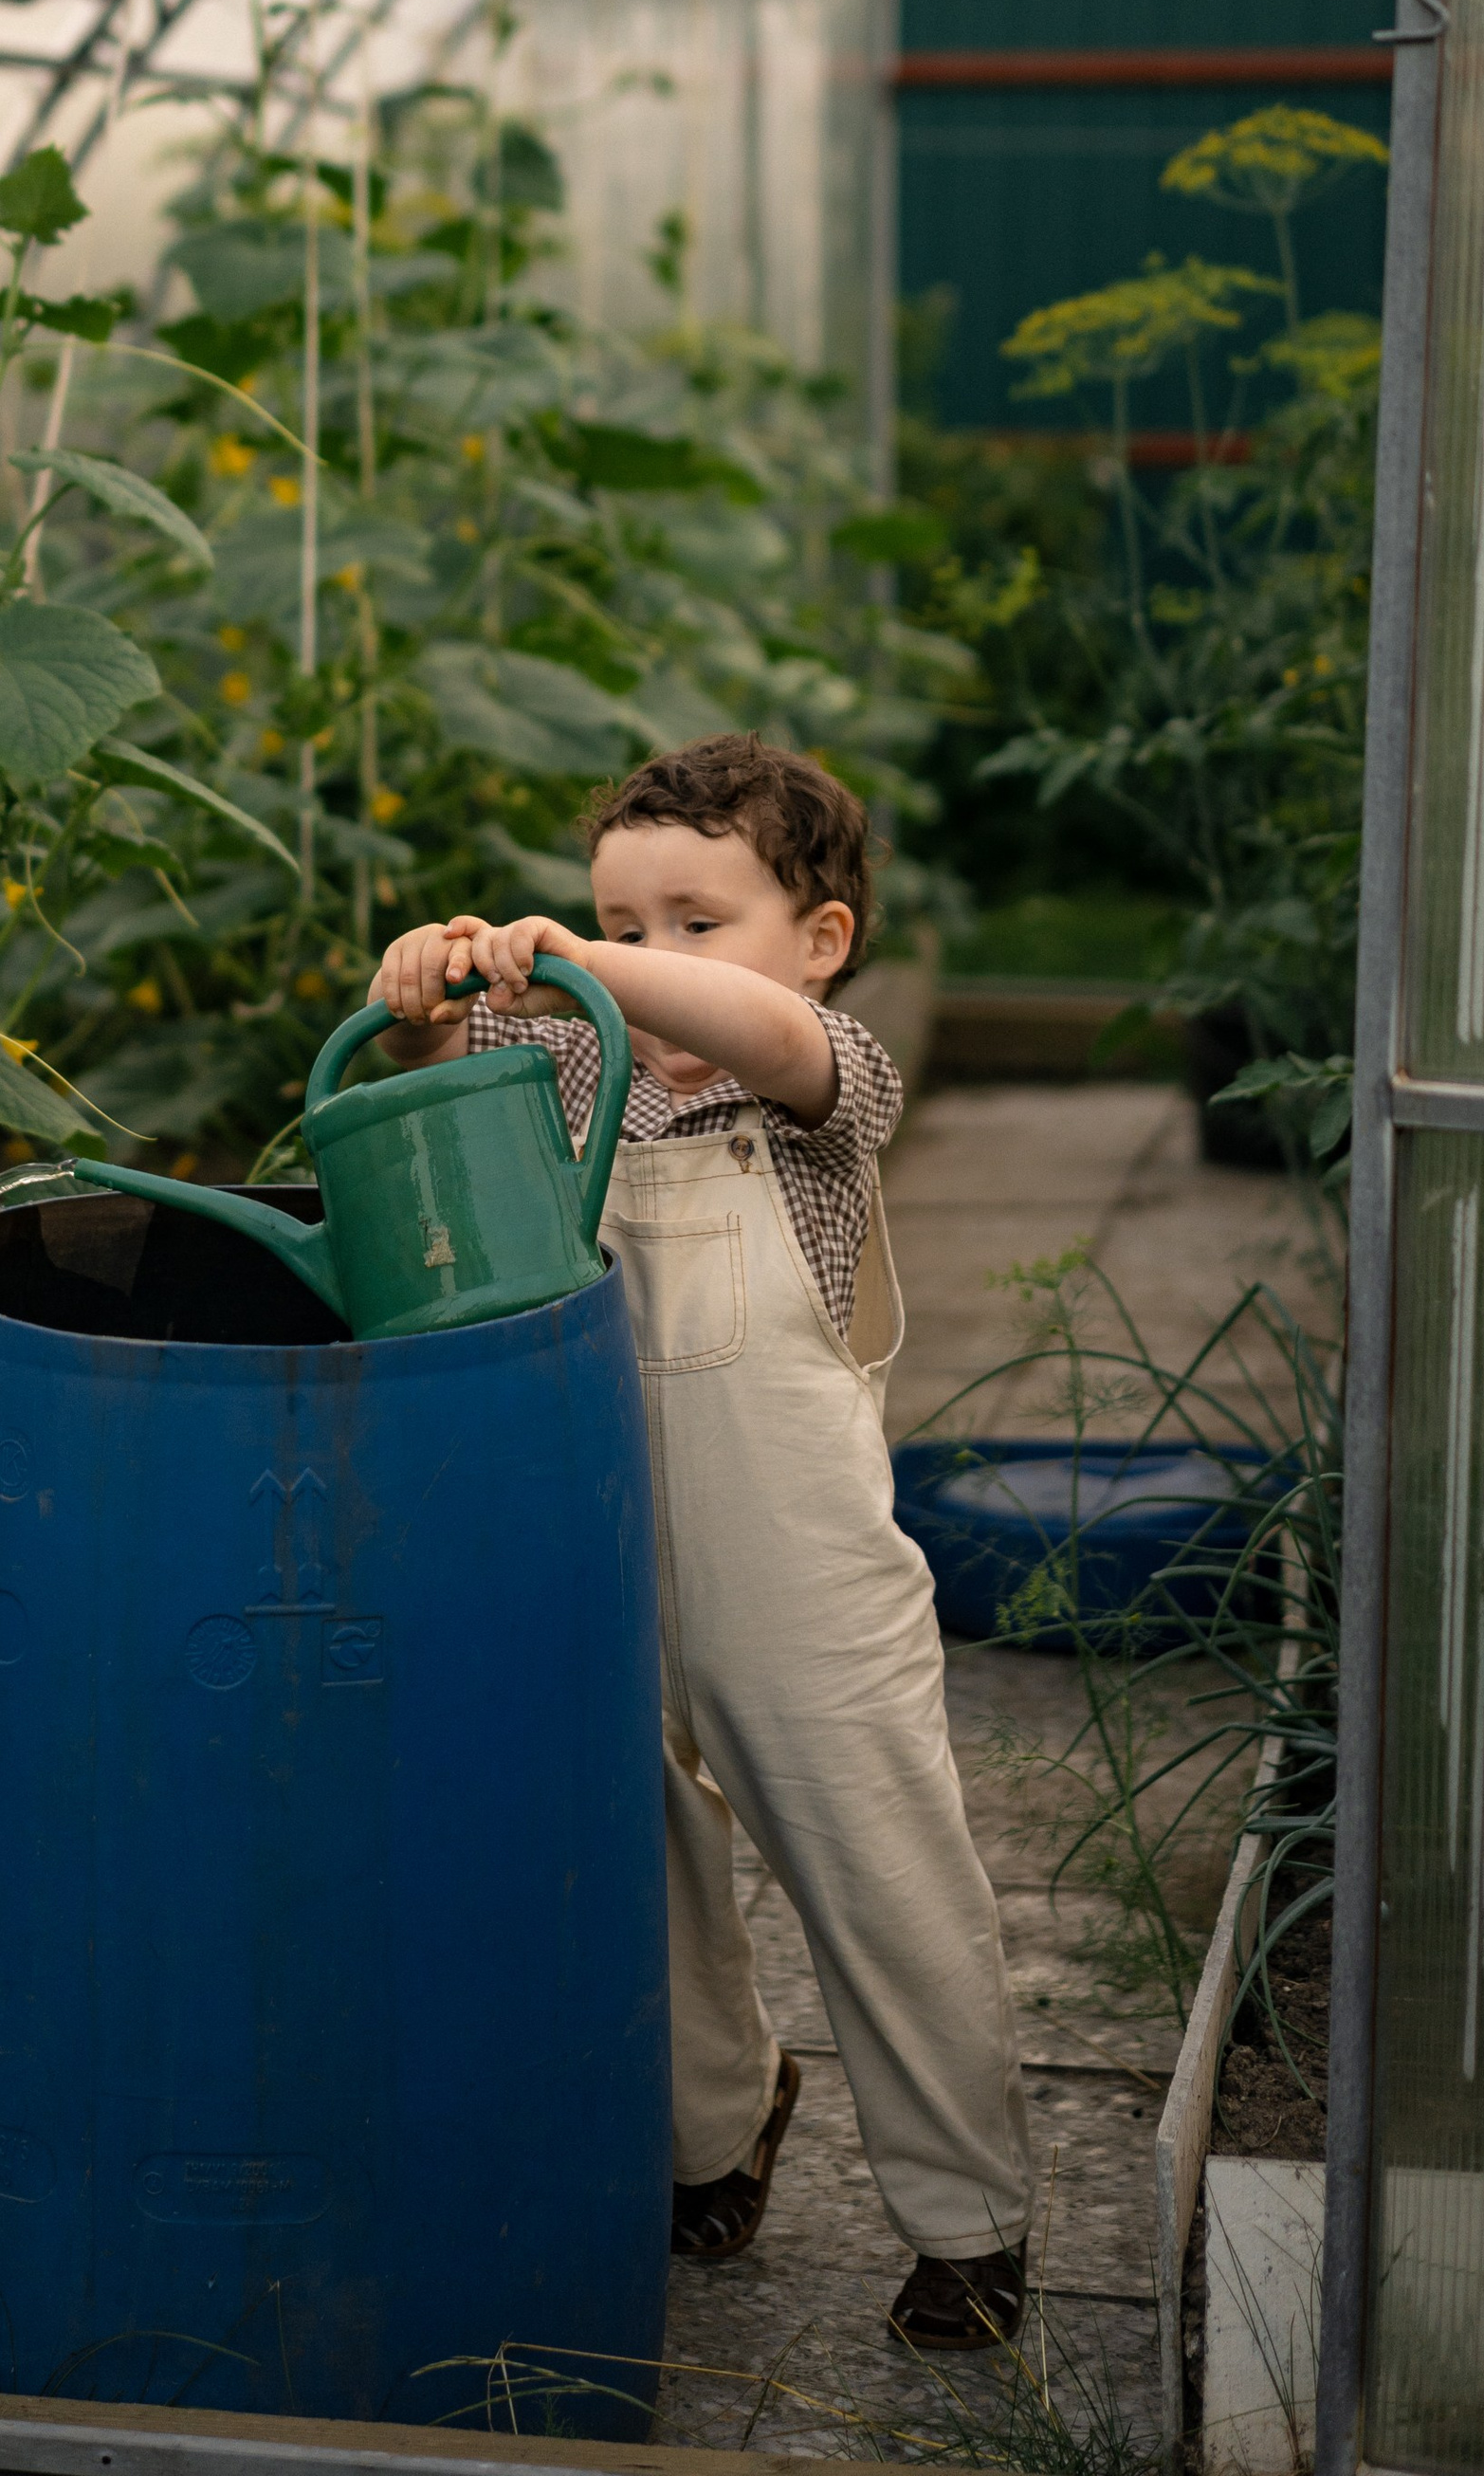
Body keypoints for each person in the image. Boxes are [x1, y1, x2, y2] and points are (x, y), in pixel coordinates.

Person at [372, 732, 1033, 2350]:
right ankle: (714, 2128)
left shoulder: (820, 1079)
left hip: (793, 1573)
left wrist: (594, 964)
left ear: (819, 944)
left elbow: (746, 1030)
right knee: (633, 1859)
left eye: (696, 923)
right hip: (598, 1534)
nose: (653, 964)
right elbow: (444, 1152)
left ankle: (970, 2217)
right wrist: (438, 1010)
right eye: (619, 918)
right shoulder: (572, 1073)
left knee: (874, 1862)